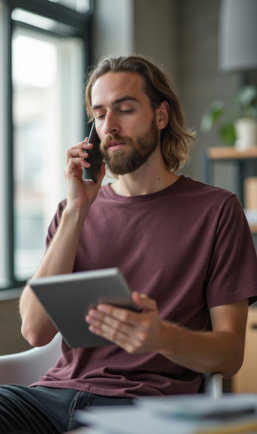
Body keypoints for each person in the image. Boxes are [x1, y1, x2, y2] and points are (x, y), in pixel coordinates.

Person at [1, 55, 257, 433]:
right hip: (52, 396)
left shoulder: (217, 210)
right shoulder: (73, 210)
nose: (110, 126)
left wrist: (160, 336)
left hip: (143, 409)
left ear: (161, 115)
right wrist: (76, 209)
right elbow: (35, 330)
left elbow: (231, 354)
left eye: (125, 109)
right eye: (100, 114)